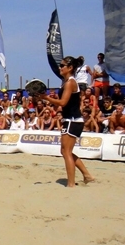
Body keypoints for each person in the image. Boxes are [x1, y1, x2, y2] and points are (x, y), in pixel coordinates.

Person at [38, 56, 95, 187]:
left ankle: (71, 184)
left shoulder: (70, 82)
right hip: (71, 119)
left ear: (70, 68)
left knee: (66, 152)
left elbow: (63, 102)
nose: (60, 67)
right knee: (65, 151)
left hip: (73, 120)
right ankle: (87, 175)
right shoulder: (66, 82)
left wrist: (46, 98)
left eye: (62, 65)